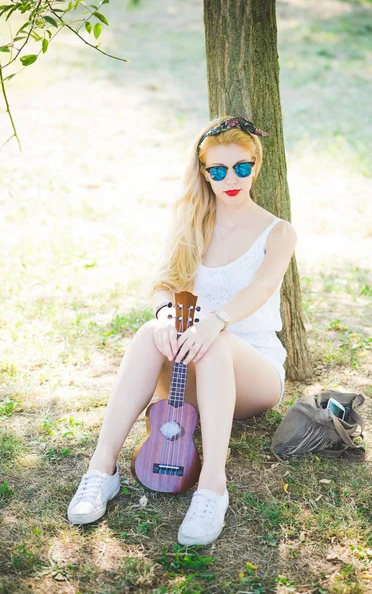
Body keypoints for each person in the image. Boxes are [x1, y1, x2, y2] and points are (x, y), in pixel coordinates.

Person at [67, 115, 297, 546]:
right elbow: (163, 285)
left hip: (252, 371)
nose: (231, 179)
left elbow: (263, 288)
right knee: (145, 334)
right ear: (205, 172)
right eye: (219, 170)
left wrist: (215, 321)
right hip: (189, 363)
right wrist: (165, 315)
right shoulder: (194, 221)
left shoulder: (278, 232)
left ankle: (212, 487)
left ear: (256, 164)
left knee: (215, 343)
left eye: (242, 168)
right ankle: (102, 470)